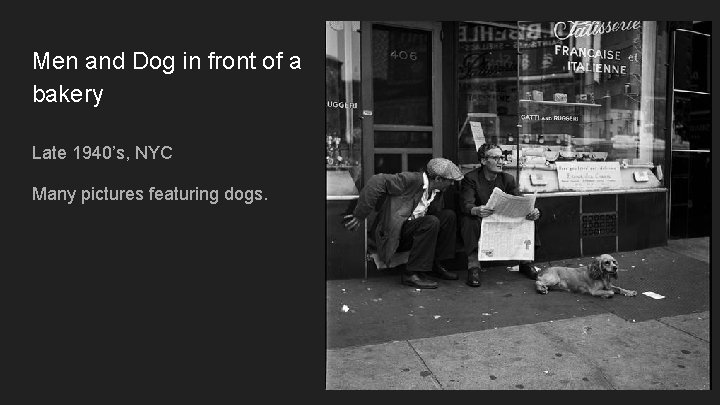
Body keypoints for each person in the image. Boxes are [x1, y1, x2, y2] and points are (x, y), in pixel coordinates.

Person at [343, 158, 464, 289]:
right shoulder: (412, 180)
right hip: (396, 234)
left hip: (415, 230)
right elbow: (376, 181)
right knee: (431, 222)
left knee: (449, 216)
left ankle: (435, 264)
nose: (452, 184)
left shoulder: (436, 191)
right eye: (450, 180)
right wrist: (360, 214)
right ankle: (411, 274)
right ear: (438, 179)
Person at [460, 143, 541, 287]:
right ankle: (473, 266)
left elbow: (520, 200)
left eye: (501, 157)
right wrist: (476, 210)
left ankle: (525, 262)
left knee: (528, 218)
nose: (500, 161)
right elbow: (466, 204)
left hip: (503, 218)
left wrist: (531, 211)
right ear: (484, 161)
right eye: (495, 158)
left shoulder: (507, 179)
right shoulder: (471, 178)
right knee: (468, 220)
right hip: (482, 218)